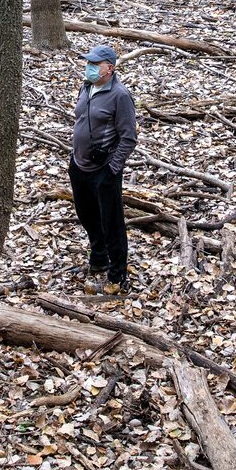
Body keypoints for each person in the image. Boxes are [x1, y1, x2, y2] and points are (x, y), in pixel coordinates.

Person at [69, 44, 138, 293]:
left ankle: (117, 275)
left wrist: (113, 168)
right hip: (79, 165)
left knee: (112, 223)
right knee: (86, 215)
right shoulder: (86, 87)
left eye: (94, 64)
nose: (89, 67)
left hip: (104, 170)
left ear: (109, 67)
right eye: (88, 62)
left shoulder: (120, 95)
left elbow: (128, 137)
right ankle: (99, 259)